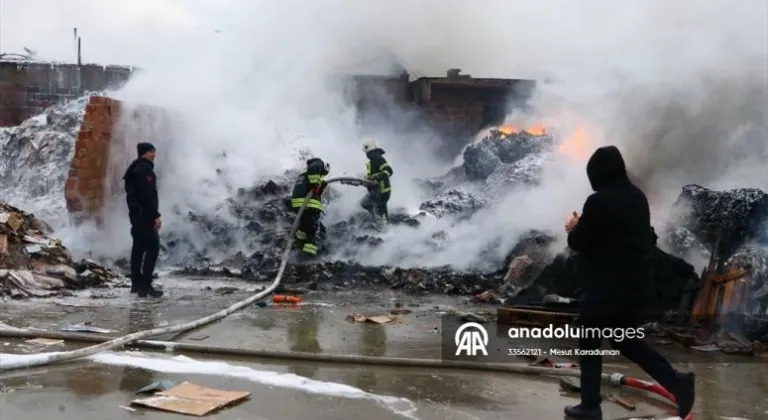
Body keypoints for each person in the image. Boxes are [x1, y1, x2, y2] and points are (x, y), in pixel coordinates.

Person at [564, 145, 694, 419]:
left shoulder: (598, 202)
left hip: (606, 288)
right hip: (635, 287)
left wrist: (575, 227)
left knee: (589, 339)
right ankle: (677, 382)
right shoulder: (637, 197)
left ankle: (589, 406)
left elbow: (580, 242)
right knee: (626, 341)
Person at [123, 142, 163, 298]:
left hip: (135, 215)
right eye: (152, 151)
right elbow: (147, 196)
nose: (154, 154)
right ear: (144, 153)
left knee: (138, 249)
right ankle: (145, 286)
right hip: (144, 216)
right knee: (153, 248)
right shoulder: (144, 171)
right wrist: (155, 215)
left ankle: (136, 284)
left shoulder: (132, 169)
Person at [290, 157, 329, 259]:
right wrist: (315, 183)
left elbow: (314, 190)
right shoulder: (318, 163)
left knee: (304, 229)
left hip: (299, 205)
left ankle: (299, 245)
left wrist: (320, 185)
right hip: (308, 205)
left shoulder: (304, 173)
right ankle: (308, 257)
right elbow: (314, 183)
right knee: (313, 233)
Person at [360, 138, 393, 225]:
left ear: (368, 150)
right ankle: (375, 217)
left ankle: (385, 232)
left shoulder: (378, 159)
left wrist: (377, 177)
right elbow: (370, 178)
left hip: (381, 191)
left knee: (381, 213)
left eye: (365, 152)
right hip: (374, 191)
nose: (365, 154)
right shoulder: (372, 160)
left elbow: (388, 171)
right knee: (364, 203)